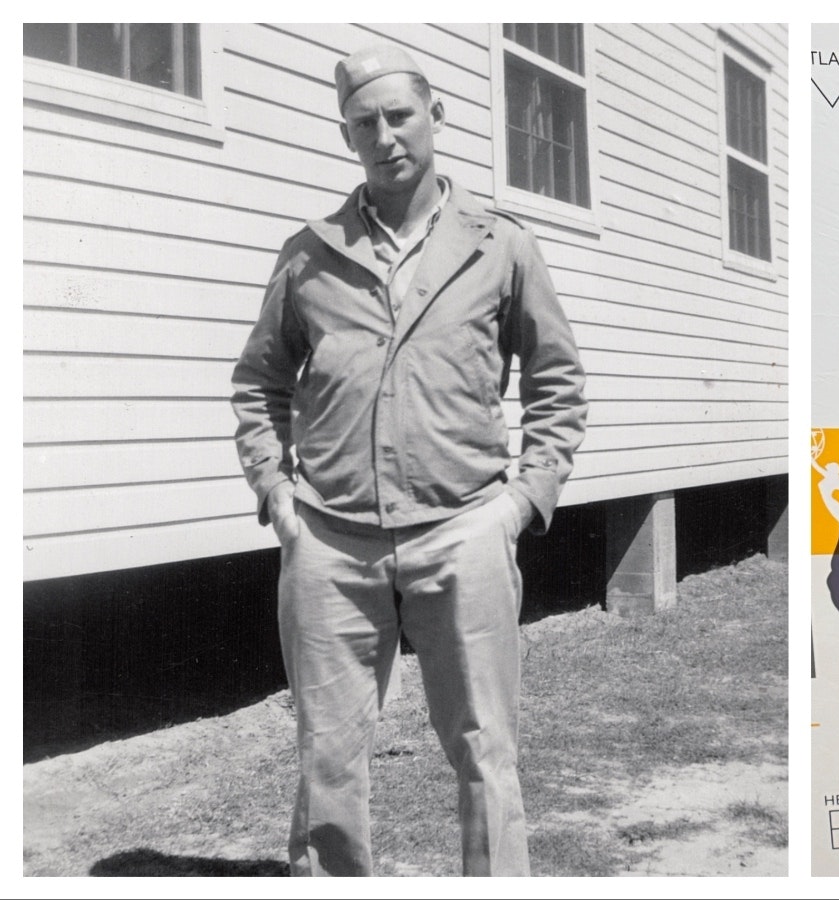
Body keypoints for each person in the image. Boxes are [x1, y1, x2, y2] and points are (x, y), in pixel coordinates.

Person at [230, 44, 587, 876]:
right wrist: (277, 495)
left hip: (464, 529)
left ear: (435, 118)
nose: (385, 136)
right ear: (347, 135)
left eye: (399, 116)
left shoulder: (499, 246)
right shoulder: (310, 255)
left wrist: (524, 499)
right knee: (327, 759)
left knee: (486, 752)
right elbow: (258, 384)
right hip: (329, 538)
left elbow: (558, 380)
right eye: (365, 123)